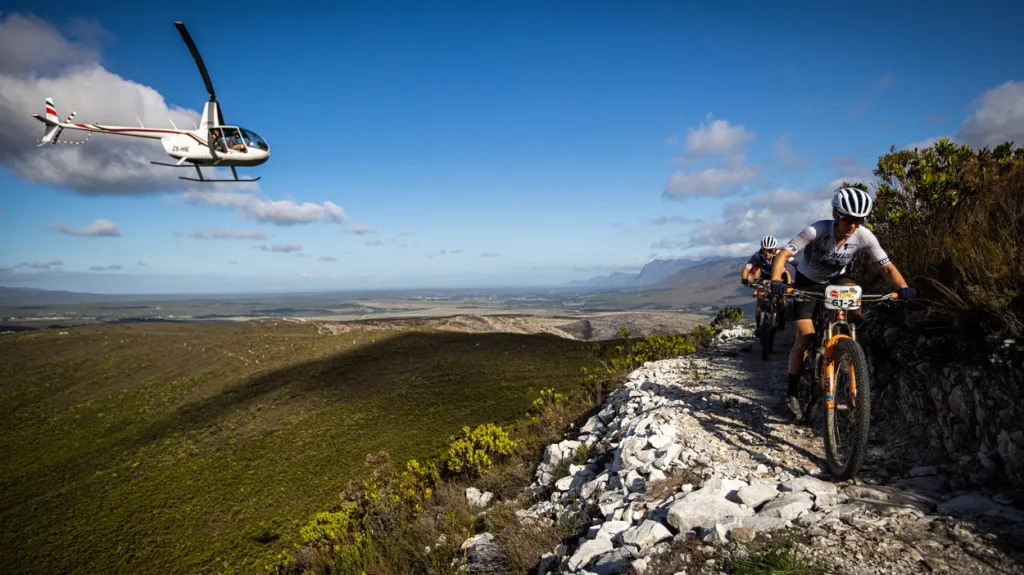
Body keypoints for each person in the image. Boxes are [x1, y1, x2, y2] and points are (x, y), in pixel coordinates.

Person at [768, 187, 916, 419]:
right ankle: (792, 393)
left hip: (837, 280)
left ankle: (845, 346)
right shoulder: (815, 230)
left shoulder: (864, 236)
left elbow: (886, 267)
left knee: (853, 293)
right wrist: (776, 279)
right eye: (848, 219)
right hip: (807, 282)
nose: (853, 225)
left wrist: (903, 288)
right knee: (805, 337)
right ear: (836, 214)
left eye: (860, 220)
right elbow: (783, 254)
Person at [741, 235, 794, 334]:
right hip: (765, 277)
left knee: (781, 298)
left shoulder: (781, 253)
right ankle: (758, 326)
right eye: (764, 250)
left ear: (774, 249)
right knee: (760, 299)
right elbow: (746, 269)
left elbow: (794, 263)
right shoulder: (757, 255)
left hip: (780, 277)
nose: (766, 253)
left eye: (769, 250)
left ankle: (781, 319)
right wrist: (744, 279)